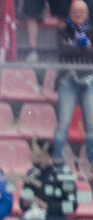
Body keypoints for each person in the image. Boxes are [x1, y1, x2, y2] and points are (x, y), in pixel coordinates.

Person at [53, 1, 93, 174]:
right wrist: (83, 46)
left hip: (89, 80)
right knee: (63, 123)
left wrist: (75, 47)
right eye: (75, 11)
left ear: (87, 14)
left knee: (91, 124)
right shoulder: (62, 30)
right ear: (69, 13)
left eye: (82, 11)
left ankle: (92, 161)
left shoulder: (91, 31)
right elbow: (63, 52)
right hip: (67, 80)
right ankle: (57, 160)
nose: (78, 14)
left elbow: (90, 53)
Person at [21, 138, 78, 220]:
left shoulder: (63, 174)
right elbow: (22, 201)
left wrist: (47, 206)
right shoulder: (31, 174)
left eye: (34, 152)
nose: (31, 155)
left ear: (45, 153)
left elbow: (72, 205)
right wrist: (26, 203)